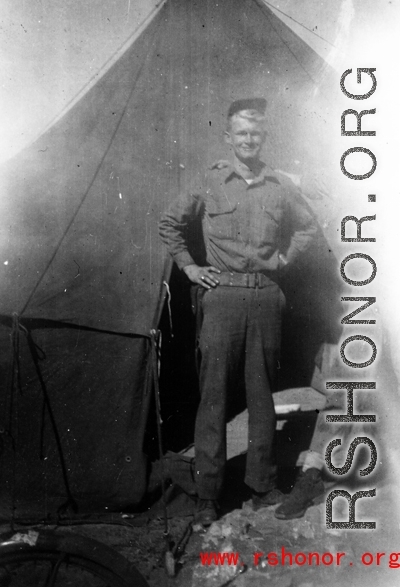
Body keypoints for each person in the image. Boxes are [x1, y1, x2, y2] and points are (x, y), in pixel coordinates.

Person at [159, 98, 317, 526]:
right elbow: (170, 223)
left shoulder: (280, 185)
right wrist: (191, 267)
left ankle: (261, 485)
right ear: (228, 138)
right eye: (241, 134)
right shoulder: (210, 181)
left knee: (262, 394)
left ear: (264, 139)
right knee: (214, 397)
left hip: (266, 296)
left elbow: (307, 226)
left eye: (256, 134)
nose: (248, 141)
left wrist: (284, 261)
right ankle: (208, 495)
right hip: (223, 297)